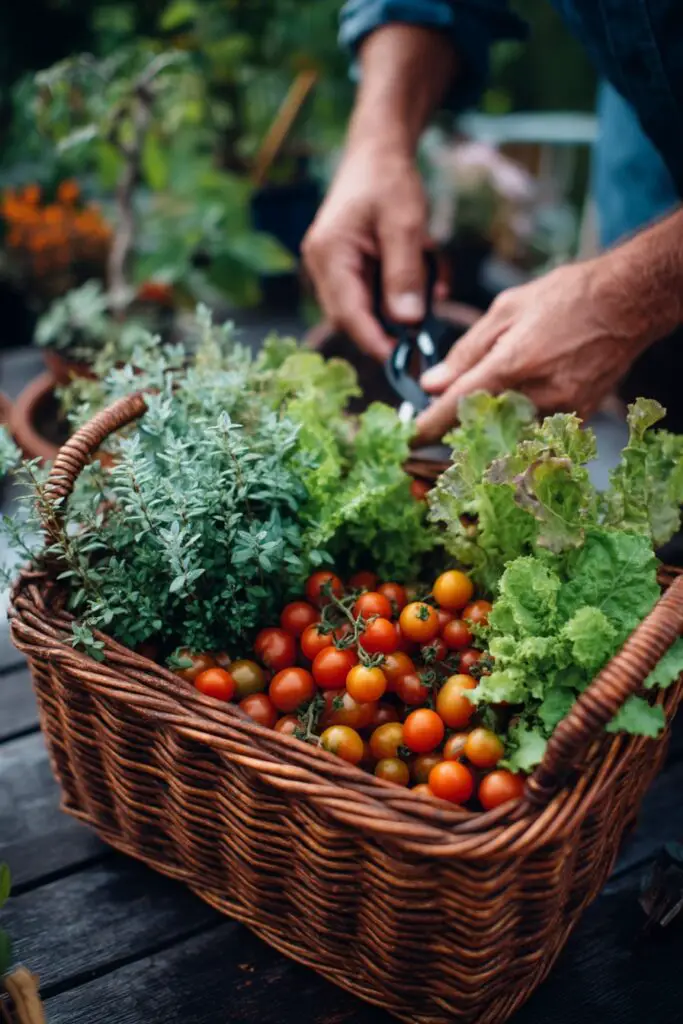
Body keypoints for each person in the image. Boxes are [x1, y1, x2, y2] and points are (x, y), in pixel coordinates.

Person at [303, 4, 683, 442]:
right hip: (645, 127)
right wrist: (380, 140)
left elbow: (629, 298)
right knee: (655, 393)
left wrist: (633, 292)